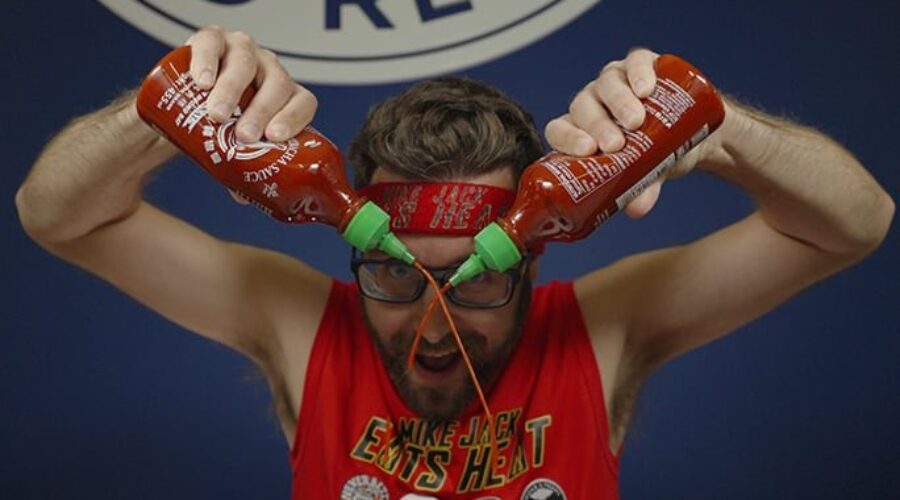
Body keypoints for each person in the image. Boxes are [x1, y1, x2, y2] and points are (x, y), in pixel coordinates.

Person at [15, 26, 893, 499]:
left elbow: (855, 224)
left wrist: (718, 129)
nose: (435, 321)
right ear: (359, 245)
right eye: (400, 273)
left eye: (475, 278)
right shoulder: (300, 322)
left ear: (532, 255)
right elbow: (55, 217)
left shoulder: (600, 327)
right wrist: (161, 109)